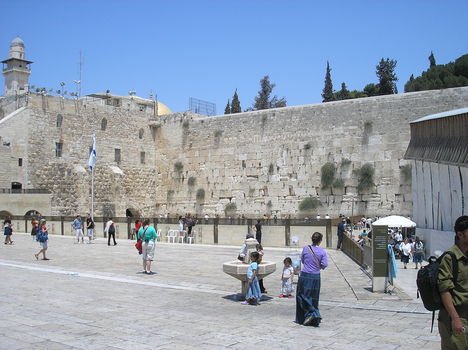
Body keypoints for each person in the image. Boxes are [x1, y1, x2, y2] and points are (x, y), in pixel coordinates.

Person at [437, 215, 468, 350]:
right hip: (455, 317)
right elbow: (444, 290)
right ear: (460, 234)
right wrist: (455, 319)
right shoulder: (450, 258)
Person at [296, 232, 328, 327]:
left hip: (305, 275)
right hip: (316, 277)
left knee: (302, 295)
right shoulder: (322, 252)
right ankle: (314, 317)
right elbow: (324, 265)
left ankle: (312, 314)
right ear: (320, 241)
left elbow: (302, 260)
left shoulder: (306, 248)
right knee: (314, 298)